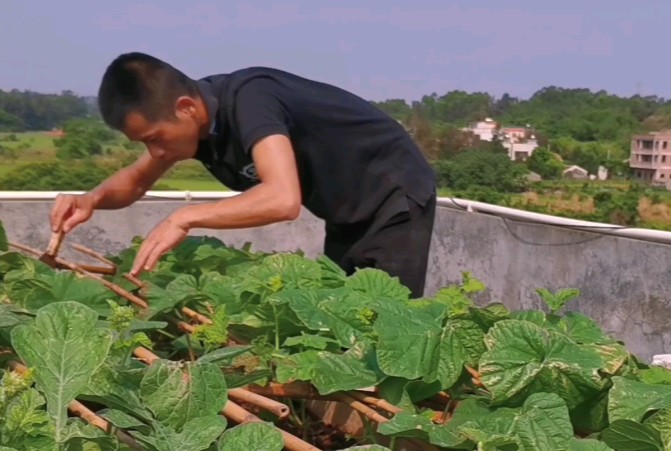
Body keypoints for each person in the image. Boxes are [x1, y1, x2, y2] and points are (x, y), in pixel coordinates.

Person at [50, 52, 438, 297]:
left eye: (154, 139)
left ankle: (405, 424)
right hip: (344, 211)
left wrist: (184, 217)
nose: (155, 153)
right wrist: (90, 199)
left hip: (392, 192)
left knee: (389, 321)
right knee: (341, 313)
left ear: (186, 107)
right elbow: (136, 180)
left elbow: (282, 199)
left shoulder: (251, 101)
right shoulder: (194, 129)